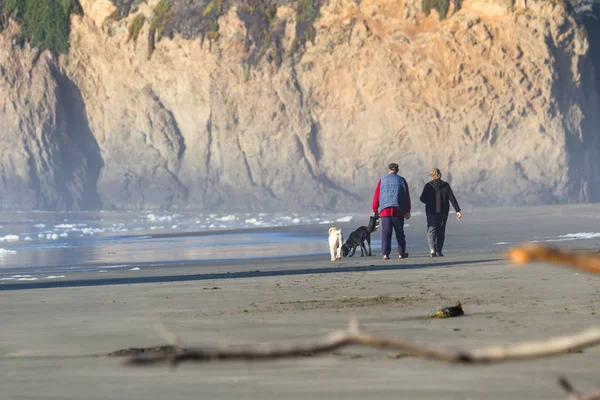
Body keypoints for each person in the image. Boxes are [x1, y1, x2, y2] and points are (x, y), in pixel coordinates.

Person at [372, 163, 411, 260]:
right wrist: (407, 211)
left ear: (389, 169)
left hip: (385, 210)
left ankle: (386, 254)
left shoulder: (382, 180)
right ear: (397, 170)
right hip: (398, 210)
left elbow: (377, 196)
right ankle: (401, 253)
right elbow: (407, 197)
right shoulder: (402, 180)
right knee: (399, 232)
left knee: (386, 233)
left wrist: (375, 209)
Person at [419, 168, 461, 257]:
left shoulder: (428, 186)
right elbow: (452, 199)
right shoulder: (446, 185)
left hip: (431, 211)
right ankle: (438, 251)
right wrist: (457, 210)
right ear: (440, 174)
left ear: (431, 175)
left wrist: (429, 201)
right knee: (441, 231)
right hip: (443, 212)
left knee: (431, 230)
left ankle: (432, 249)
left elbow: (422, 198)